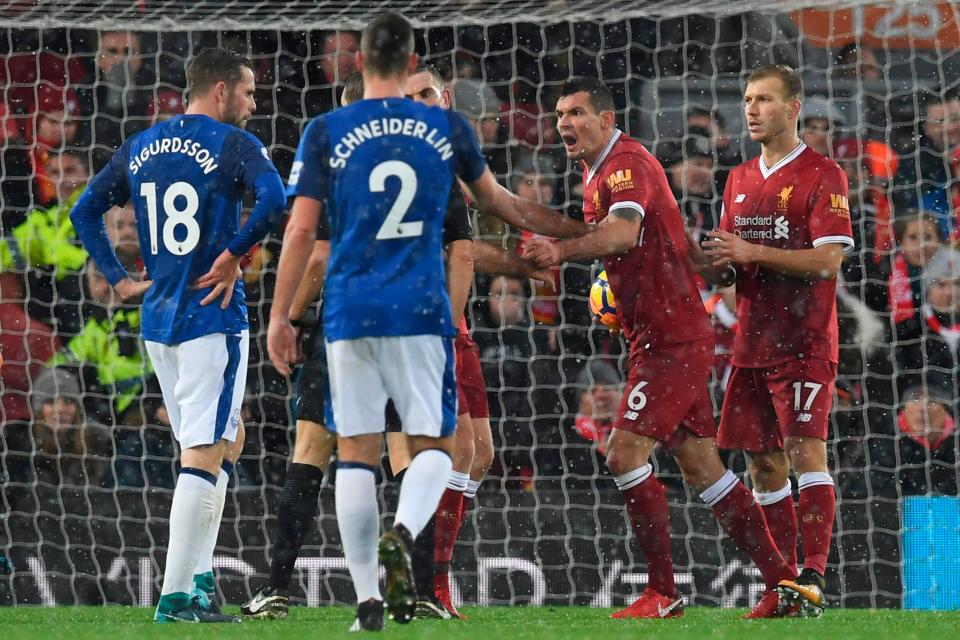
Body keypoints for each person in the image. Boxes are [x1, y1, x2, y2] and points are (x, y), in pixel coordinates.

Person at [268, 14, 584, 631]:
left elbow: (303, 232)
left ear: (359, 63)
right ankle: (405, 530)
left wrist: (282, 315)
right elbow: (503, 204)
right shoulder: (443, 129)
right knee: (440, 447)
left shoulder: (327, 129)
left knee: (354, 454)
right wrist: (579, 235)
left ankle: (367, 606)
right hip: (419, 309)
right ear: (412, 59)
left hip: (350, 311)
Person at [524, 76, 796, 620]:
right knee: (703, 470)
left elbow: (622, 235)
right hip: (655, 337)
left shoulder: (625, 164)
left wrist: (561, 251)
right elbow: (663, 236)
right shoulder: (597, 170)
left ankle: (662, 591)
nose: (564, 124)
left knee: (623, 454)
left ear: (606, 117)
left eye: (577, 112)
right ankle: (788, 582)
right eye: (559, 114)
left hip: (671, 340)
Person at [69, 47, 287, 623]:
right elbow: (275, 199)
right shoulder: (235, 145)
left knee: (226, 440)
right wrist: (236, 254)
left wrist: (117, 279)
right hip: (211, 317)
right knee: (204, 452)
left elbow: (84, 211)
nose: (252, 101)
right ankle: (175, 597)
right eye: (246, 91)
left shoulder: (141, 146)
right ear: (219, 91)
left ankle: (202, 576)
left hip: (159, 321)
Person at [700, 64, 855, 617]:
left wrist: (749, 253)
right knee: (762, 464)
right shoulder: (738, 178)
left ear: (793, 108)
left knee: (805, 450)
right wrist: (712, 263)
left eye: (764, 99)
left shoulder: (823, 174)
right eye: (746, 99)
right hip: (750, 345)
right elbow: (731, 271)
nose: (752, 109)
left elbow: (828, 260)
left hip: (804, 341)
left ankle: (813, 576)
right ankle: (783, 583)